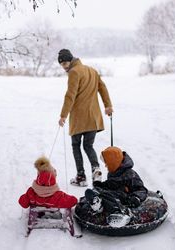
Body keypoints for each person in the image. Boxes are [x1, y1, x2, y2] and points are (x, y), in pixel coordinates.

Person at [57, 48, 113, 186]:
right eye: (62, 64)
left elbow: (70, 95)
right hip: (93, 117)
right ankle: (96, 169)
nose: (64, 66)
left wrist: (63, 115)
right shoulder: (91, 70)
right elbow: (103, 88)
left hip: (79, 118)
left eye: (65, 63)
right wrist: (108, 105)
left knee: (76, 145)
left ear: (71, 60)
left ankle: (81, 177)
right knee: (88, 145)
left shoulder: (74, 72)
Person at [84, 146, 148, 227]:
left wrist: (136, 197)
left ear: (113, 163)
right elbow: (111, 184)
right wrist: (101, 185)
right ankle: (97, 203)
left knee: (110, 196)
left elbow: (141, 189)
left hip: (126, 198)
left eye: (107, 163)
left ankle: (119, 213)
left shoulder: (130, 174)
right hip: (115, 193)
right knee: (99, 191)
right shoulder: (113, 172)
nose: (106, 166)